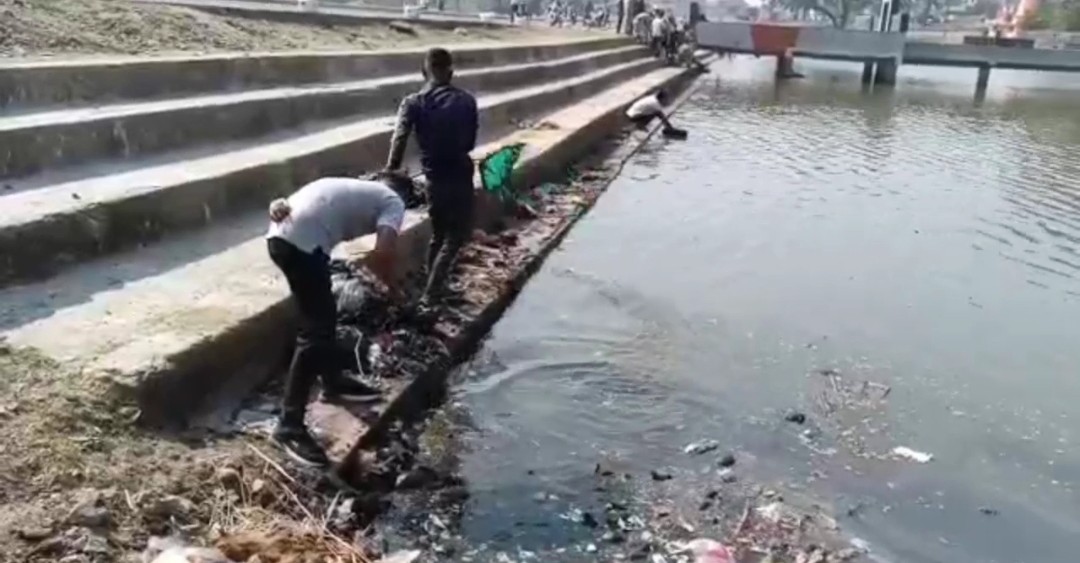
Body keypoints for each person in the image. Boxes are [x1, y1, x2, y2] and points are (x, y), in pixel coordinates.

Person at [265, 172, 414, 466]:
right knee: (316, 331)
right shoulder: (393, 201)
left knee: (324, 315)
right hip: (300, 247)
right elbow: (383, 252)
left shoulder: (355, 187)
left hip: (282, 240)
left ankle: (332, 382)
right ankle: (289, 425)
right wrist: (394, 292)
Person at [386, 48, 479, 305]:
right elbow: (470, 143)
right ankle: (432, 294)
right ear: (451, 72)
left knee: (439, 234)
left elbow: (400, 137)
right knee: (456, 237)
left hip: (433, 178)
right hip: (459, 175)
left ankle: (434, 284)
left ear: (423, 72)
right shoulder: (467, 100)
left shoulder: (413, 102)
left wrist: (391, 169)